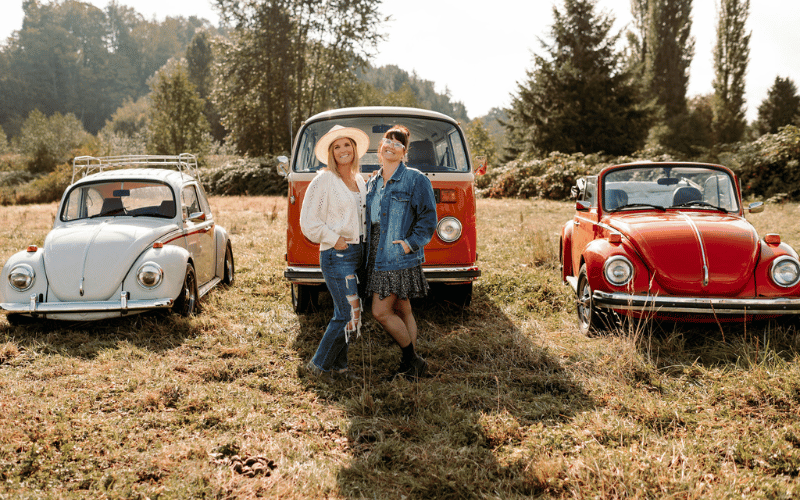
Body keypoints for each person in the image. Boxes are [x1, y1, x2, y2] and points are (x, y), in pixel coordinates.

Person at [364, 125, 437, 380]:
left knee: (380, 312)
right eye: (388, 141)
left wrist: (410, 243)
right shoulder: (373, 181)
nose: (391, 147)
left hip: (397, 253)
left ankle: (411, 360)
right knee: (403, 307)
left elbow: (428, 218)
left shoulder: (416, 179)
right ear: (380, 147)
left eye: (398, 144)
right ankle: (412, 368)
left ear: (404, 152)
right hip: (376, 251)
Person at [299, 124, 369, 380]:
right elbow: (308, 221)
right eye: (337, 146)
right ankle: (317, 367)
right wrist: (333, 238)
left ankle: (340, 368)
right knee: (346, 312)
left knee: (354, 313)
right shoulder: (325, 179)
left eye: (347, 145)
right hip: (337, 254)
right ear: (331, 152)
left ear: (354, 149)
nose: (343, 150)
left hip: (357, 254)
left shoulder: (359, 180)